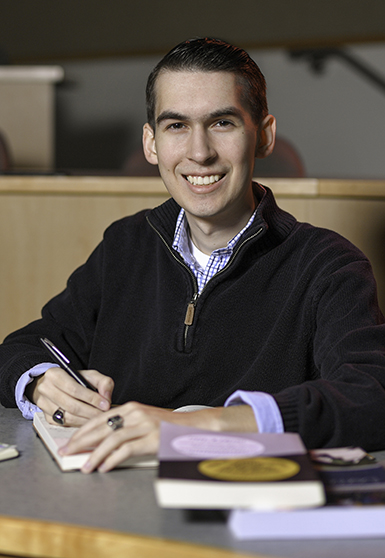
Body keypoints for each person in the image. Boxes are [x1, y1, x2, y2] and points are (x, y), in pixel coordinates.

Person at [1, 38, 385, 473]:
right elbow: (26, 345)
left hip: (242, 514)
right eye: (176, 126)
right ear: (151, 144)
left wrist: (196, 429)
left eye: (222, 123)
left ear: (264, 136)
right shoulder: (125, 245)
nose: (199, 153)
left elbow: (371, 396)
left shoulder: (329, 265)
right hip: (113, 506)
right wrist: (41, 384)